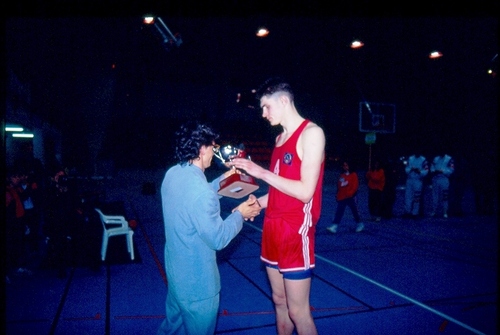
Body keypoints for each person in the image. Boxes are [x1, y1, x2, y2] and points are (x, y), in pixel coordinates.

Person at [229, 77, 325, 335]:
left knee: (298, 312)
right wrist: (255, 203)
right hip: (272, 227)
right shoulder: (280, 138)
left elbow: (305, 192)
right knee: (280, 303)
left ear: (283, 100)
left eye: (265, 107)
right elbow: (279, 190)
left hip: (295, 230)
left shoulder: (312, 134)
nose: (263, 113)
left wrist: (260, 172)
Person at [157, 121, 261, 335]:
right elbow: (218, 238)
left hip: (177, 278)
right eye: (212, 148)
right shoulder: (201, 193)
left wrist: (223, 180)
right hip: (198, 287)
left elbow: (195, 197)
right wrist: (241, 214)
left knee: (171, 330)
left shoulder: (173, 174)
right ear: (202, 148)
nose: (213, 153)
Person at [43, 168, 79, 278]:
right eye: (59, 176)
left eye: (63, 176)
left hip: (68, 219)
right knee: (59, 244)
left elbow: (73, 200)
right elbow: (48, 204)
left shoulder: (69, 187)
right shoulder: (50, 189)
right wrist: (55, 187)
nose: (61, 178)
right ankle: (61, 268)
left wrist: (65, 189)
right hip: (56, 221)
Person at [327, 160, 364, 234]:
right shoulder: (342, 175)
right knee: (339, 211)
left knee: (355, 211)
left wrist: (350, 194)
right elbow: (339, 186)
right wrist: (338, 194)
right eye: (344, 166)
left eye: (346, 165)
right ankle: (335, 226)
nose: (345, 167)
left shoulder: (353, 175)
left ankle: (360, 224)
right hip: (343, 197)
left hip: (351, 197)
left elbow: (355, 186)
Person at [403, 152, 429, 218]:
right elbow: (406, 168)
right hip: (410, 179)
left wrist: (419, 171)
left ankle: (415, 213)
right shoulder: (410, 158)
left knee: (417, 197)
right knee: (408, 196)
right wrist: (410, 169)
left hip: (418, 180)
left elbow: (426, 170)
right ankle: (407, 212)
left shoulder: (423, 159)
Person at [430, 152, 455, 218]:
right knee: (435, 196)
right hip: (436, 179)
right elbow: (432, 167)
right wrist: (433, 171)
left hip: (444, 179)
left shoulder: (449, 159)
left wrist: (443, 171)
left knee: (445, 196)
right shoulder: (436, 158)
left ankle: (445, 212)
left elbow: (451, 169)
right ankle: (434, 211)